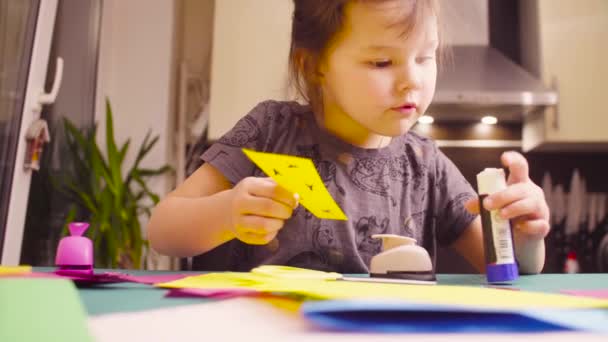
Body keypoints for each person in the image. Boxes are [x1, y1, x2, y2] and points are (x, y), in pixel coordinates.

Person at [147, 0, 550, 274]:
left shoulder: (425, 164)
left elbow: (506, 264)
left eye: (425, 57)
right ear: (315, 65)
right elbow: (163, 230)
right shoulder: (269, 130)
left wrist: (526, 234)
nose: (413, 79)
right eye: (381, 61)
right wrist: (227, 211)